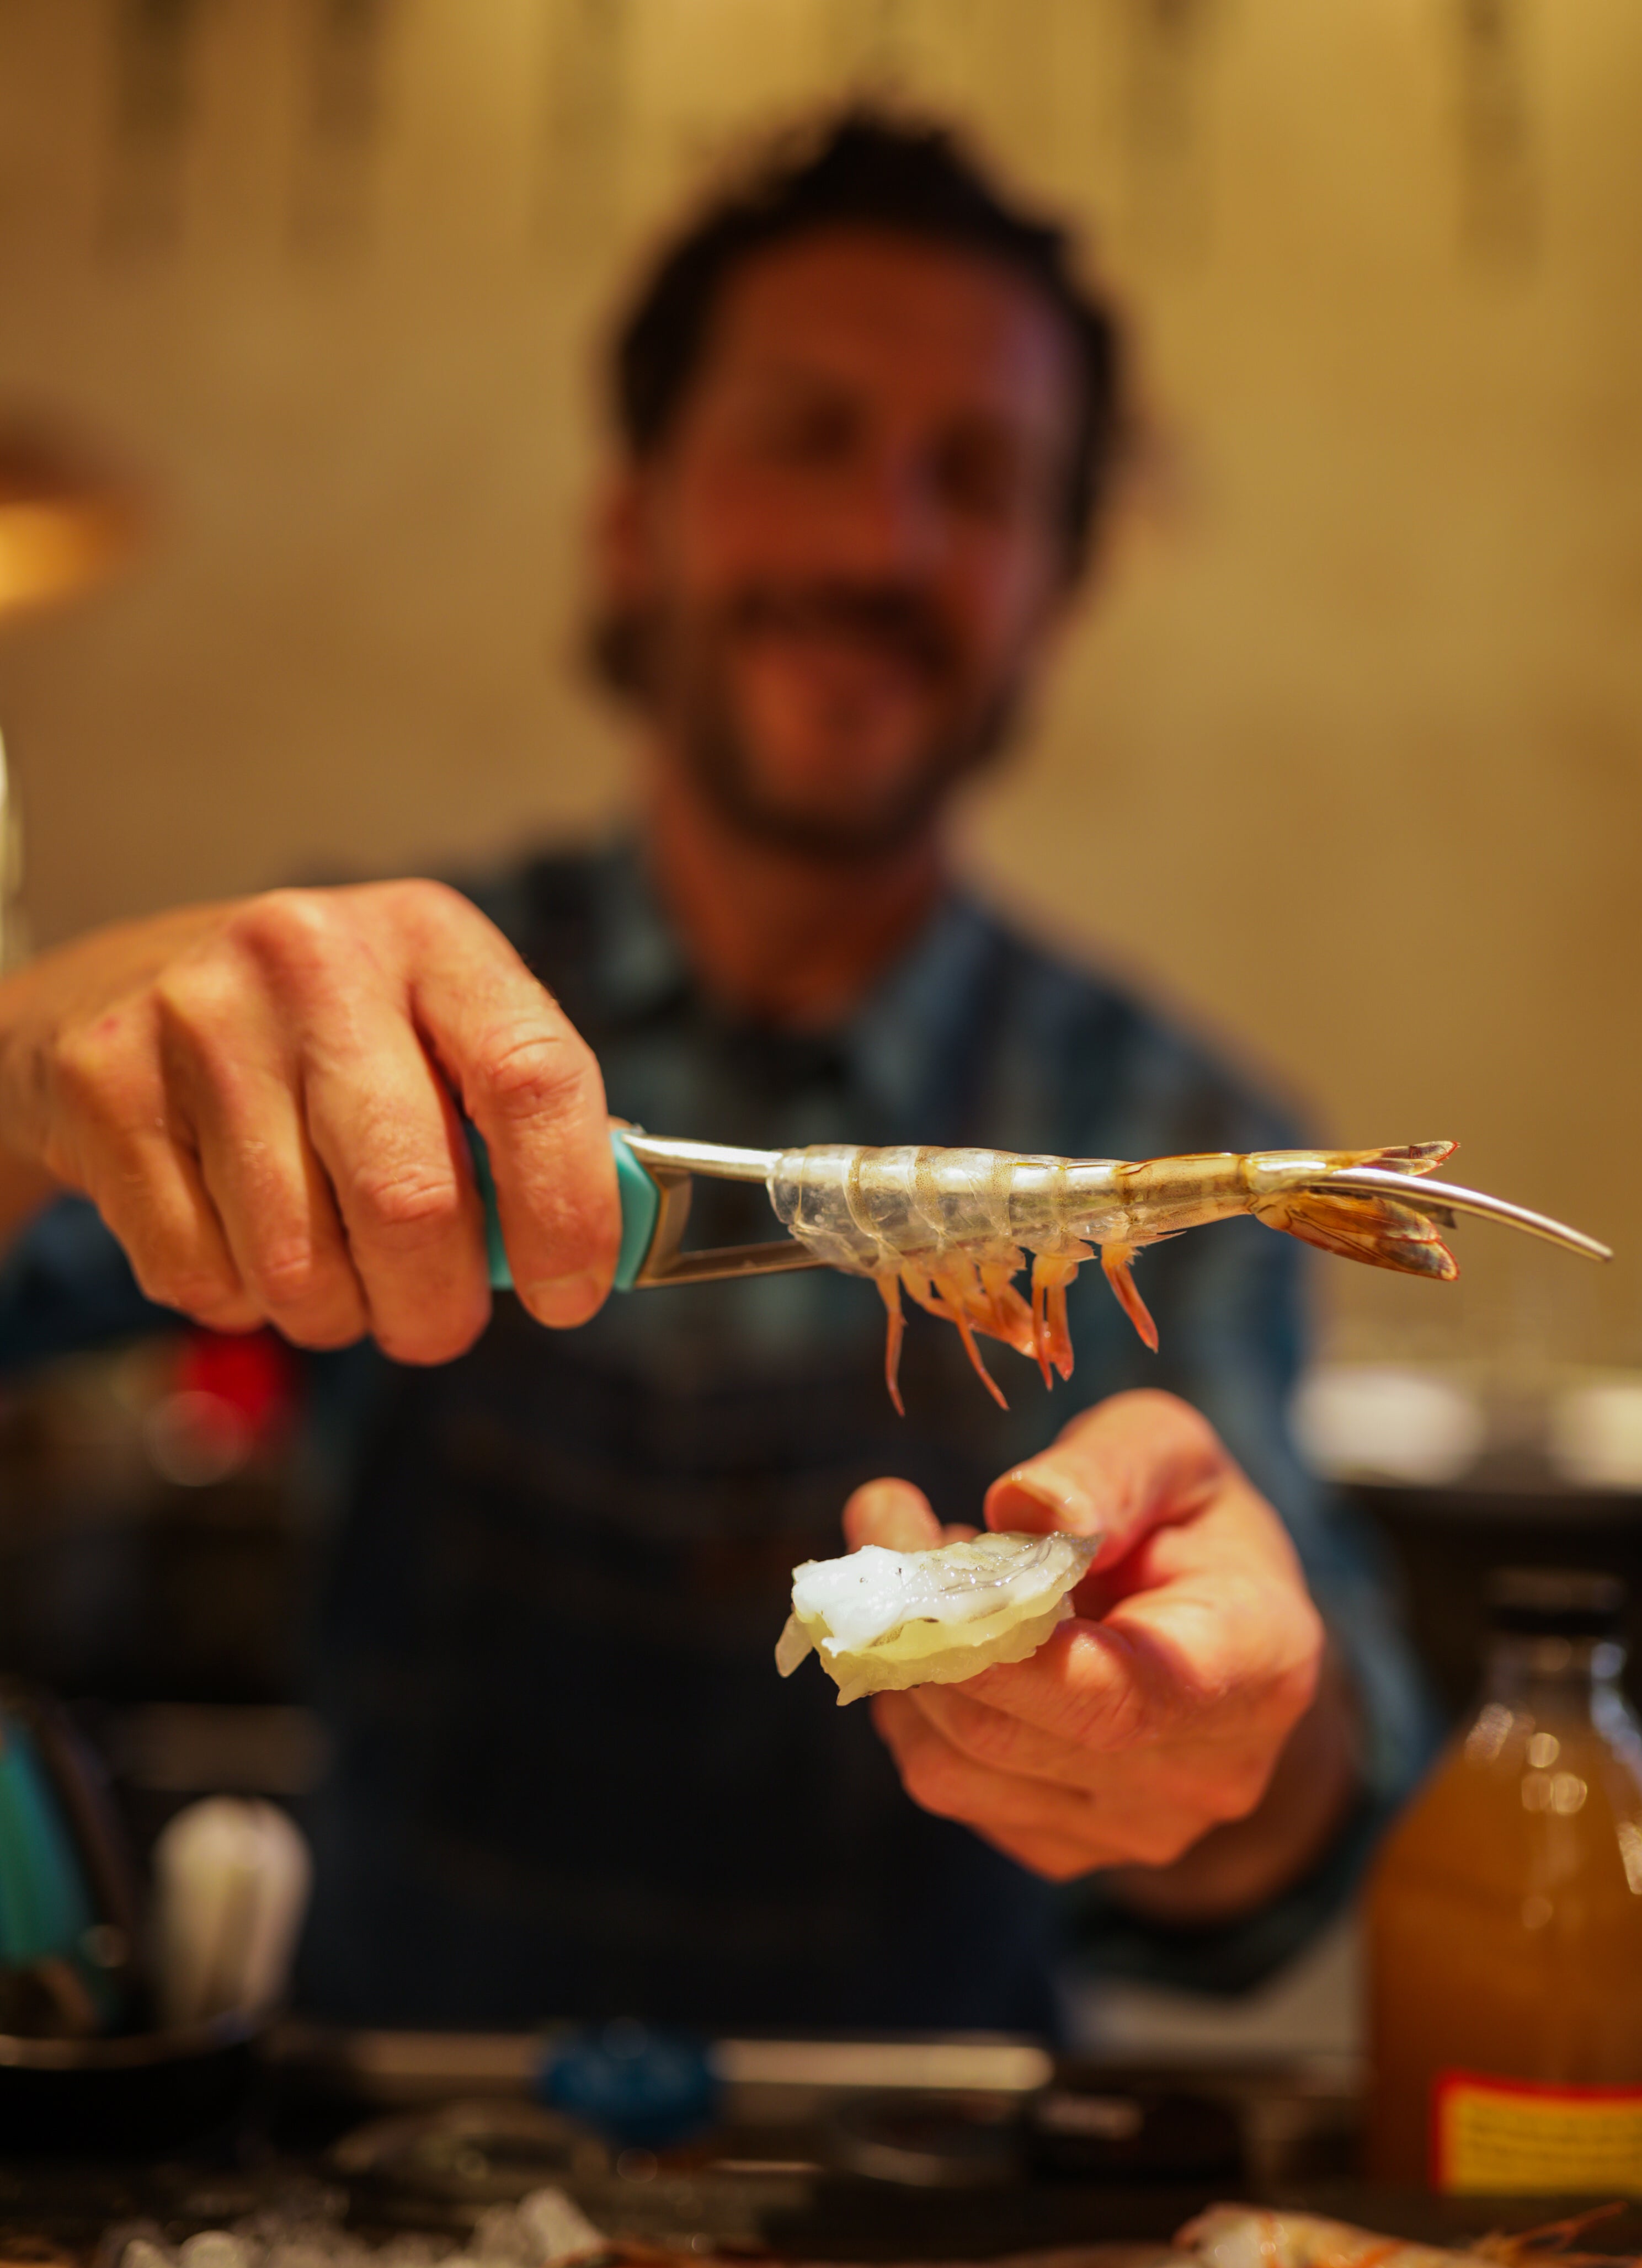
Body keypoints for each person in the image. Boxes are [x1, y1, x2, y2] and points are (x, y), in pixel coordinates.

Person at [0, 113, 1428, 2031]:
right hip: (389, 2154)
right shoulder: (363, 1010)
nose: (881, 539)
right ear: (632, 511)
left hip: (936, 2204)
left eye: (981, 478)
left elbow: (1320, 1820)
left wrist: (1246, 1737)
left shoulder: (1186, 1126)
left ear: (1056, 589)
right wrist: (44, 1049)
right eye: (807, 434)